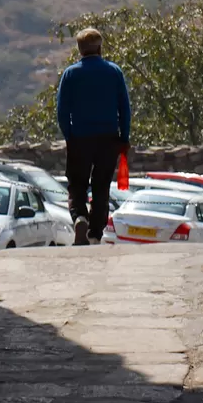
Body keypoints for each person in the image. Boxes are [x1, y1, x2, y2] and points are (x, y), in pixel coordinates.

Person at [55, 26, 131, 245]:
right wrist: (123, 137)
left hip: (79, 138)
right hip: (108, 139)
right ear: (99, 48)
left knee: (77, 184)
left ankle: (79, 217)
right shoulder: (114, 72)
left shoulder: (71, 74)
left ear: (80, 50)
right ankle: (95, 234)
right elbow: (124, 108)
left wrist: (69, 135)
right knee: (101, 187)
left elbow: (62, 111)